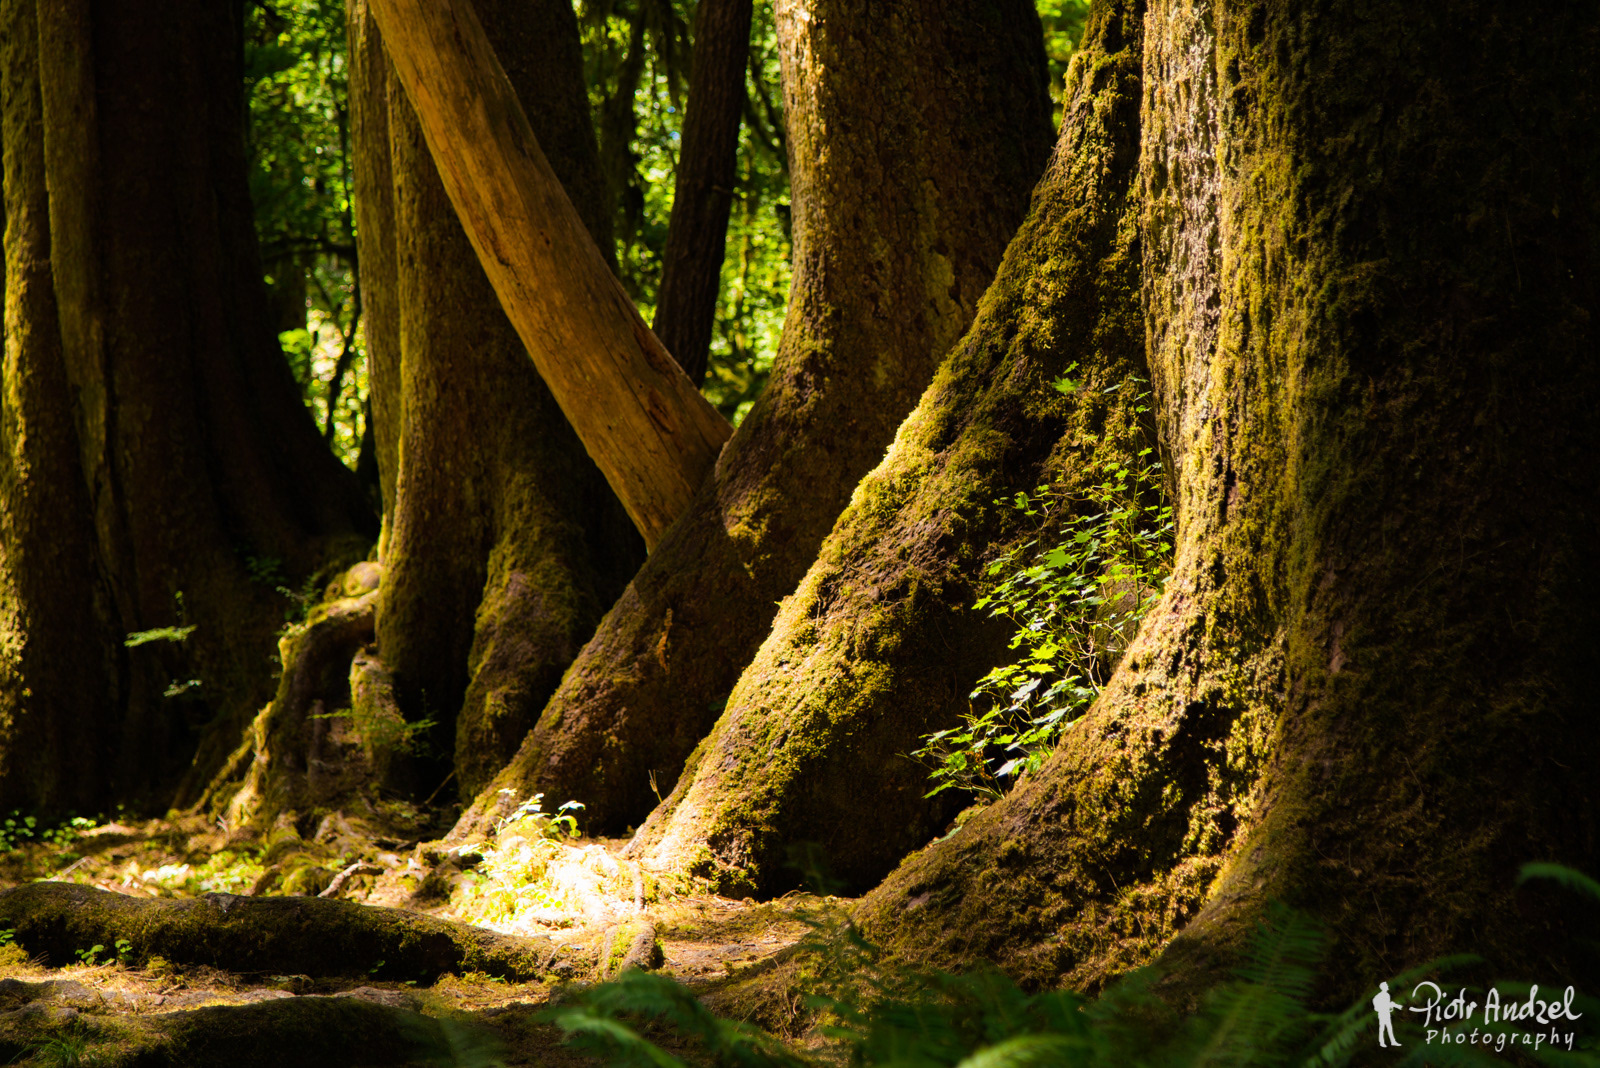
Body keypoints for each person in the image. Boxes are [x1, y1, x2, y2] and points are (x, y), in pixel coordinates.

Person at [1373, 981, 1401, 1047]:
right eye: (1386, 986)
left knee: (1389, 1028)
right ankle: (1381, 1042)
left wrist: (1391, 1007)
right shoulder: (1378, 996)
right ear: (1383, 987)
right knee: (1382, 1028)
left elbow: (1387, 1004)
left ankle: (1393, 1041)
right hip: (1382, 1014)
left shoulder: (1387, 995)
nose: (1388, 986)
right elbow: (1376, 1007)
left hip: (1387, 1014)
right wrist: (1386, 1007)